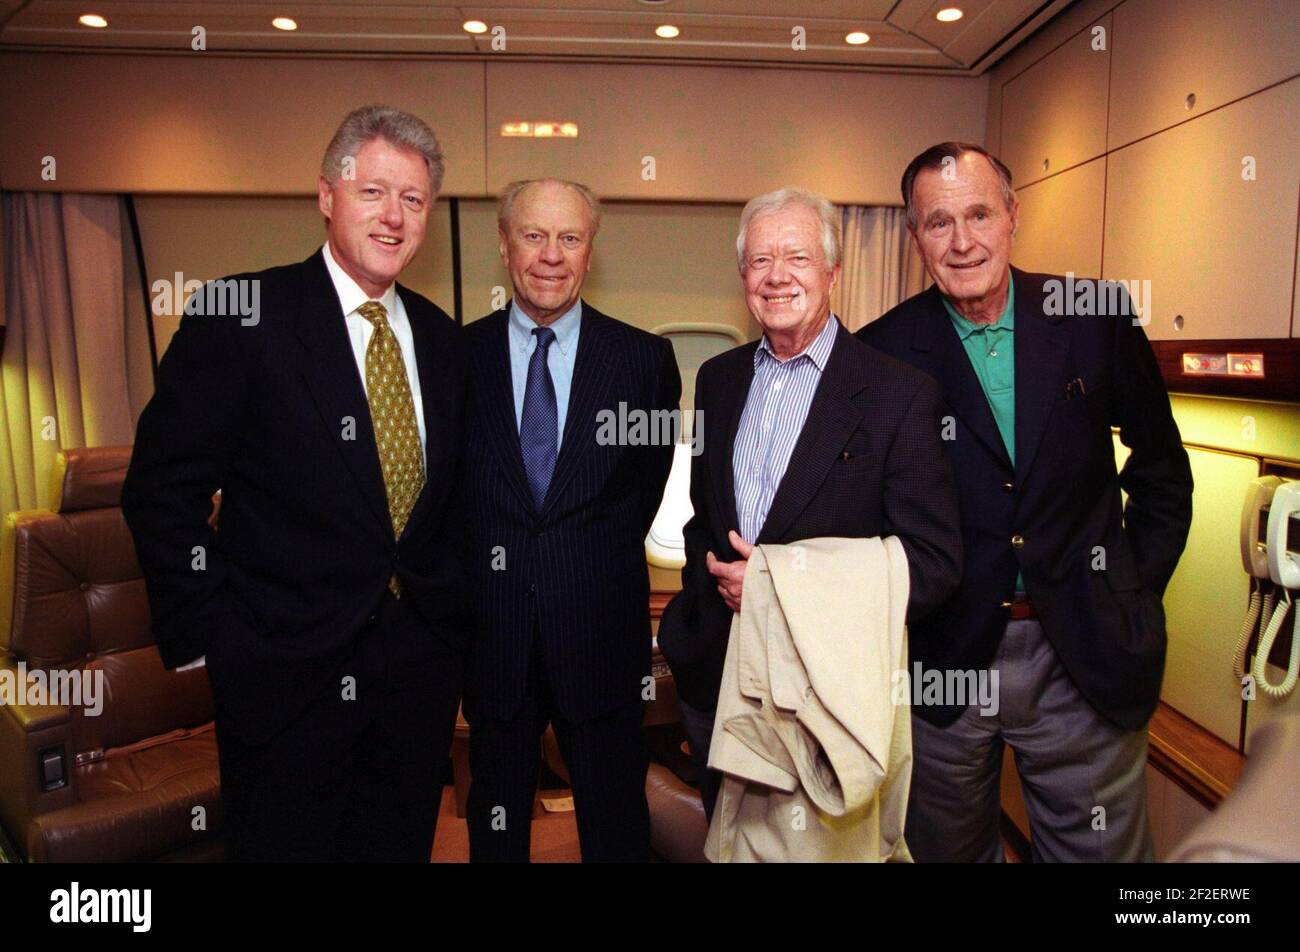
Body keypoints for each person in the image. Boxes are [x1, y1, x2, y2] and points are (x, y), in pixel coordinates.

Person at [123, 105, 467, 862]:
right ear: (326, 194)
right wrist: (217, 639)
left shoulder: (445, 341)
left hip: (413, 689)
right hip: (282, 686)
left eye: (413, 200)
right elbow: (160, 490)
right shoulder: (241, 315)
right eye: (374, 191)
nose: (393, 216)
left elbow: (451, 512)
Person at [857, 142, 1194, 862]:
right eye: (938, 222)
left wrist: (1129, 589)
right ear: (915, 237)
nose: (963, 240)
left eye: (979, 213)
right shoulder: (882, 352)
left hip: (1082, 649)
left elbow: (1162, 470)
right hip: (941, 659)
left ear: (1013, 214)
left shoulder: (1094, 318)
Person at [657, 186, 963, 820]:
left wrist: (778, 587)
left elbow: (932, 564)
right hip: (718, 670)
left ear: (833, 271)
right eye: (760, 261)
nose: (777, 277)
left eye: (796, 257)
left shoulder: (897, 394)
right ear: (743, 275)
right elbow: (702, 518)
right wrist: (694, 610)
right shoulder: (719, 379)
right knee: (729, 843)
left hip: (827, 691)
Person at [461, 178, 681, 862]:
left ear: (590, 253)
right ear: (504, 246)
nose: (550, 255)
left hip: (599, 635)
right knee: (495, 820)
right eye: (533, 235)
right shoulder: (454, 359)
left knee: (615, 823)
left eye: (569, 238)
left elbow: (638, 494)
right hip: (493, 637)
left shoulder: (644, 362)